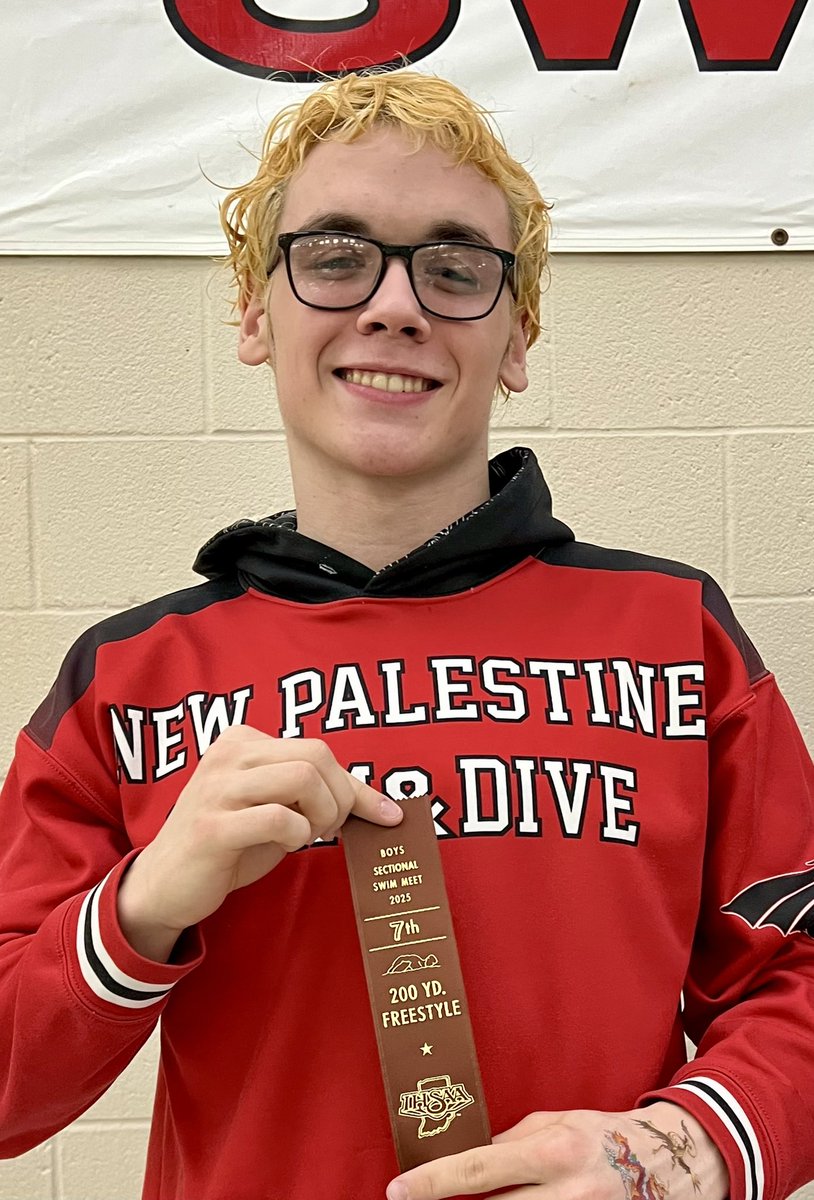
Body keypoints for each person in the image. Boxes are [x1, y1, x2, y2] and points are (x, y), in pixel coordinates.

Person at [0, 69, 812, 1200]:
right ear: (252, 312)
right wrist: (141, 905)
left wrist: (675, 1157)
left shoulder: (675, 633)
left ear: (517, 338)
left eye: (454, 267)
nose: (395, 305)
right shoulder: (127, 679)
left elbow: (800, 978)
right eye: (334, 257)